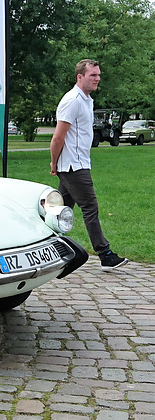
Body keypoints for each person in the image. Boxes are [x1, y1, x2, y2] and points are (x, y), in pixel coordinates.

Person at [49, 59, 128, 270]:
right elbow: (58, 137)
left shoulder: (87, 100)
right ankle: (105, 254)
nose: (97, 79)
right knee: (90, 207)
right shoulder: (72, 100)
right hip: (74, 166)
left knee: (59, 210)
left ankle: (42, 246)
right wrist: (54, 162)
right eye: (93, 75)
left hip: (78, 162)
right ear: (80, 77)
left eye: (98, 75)